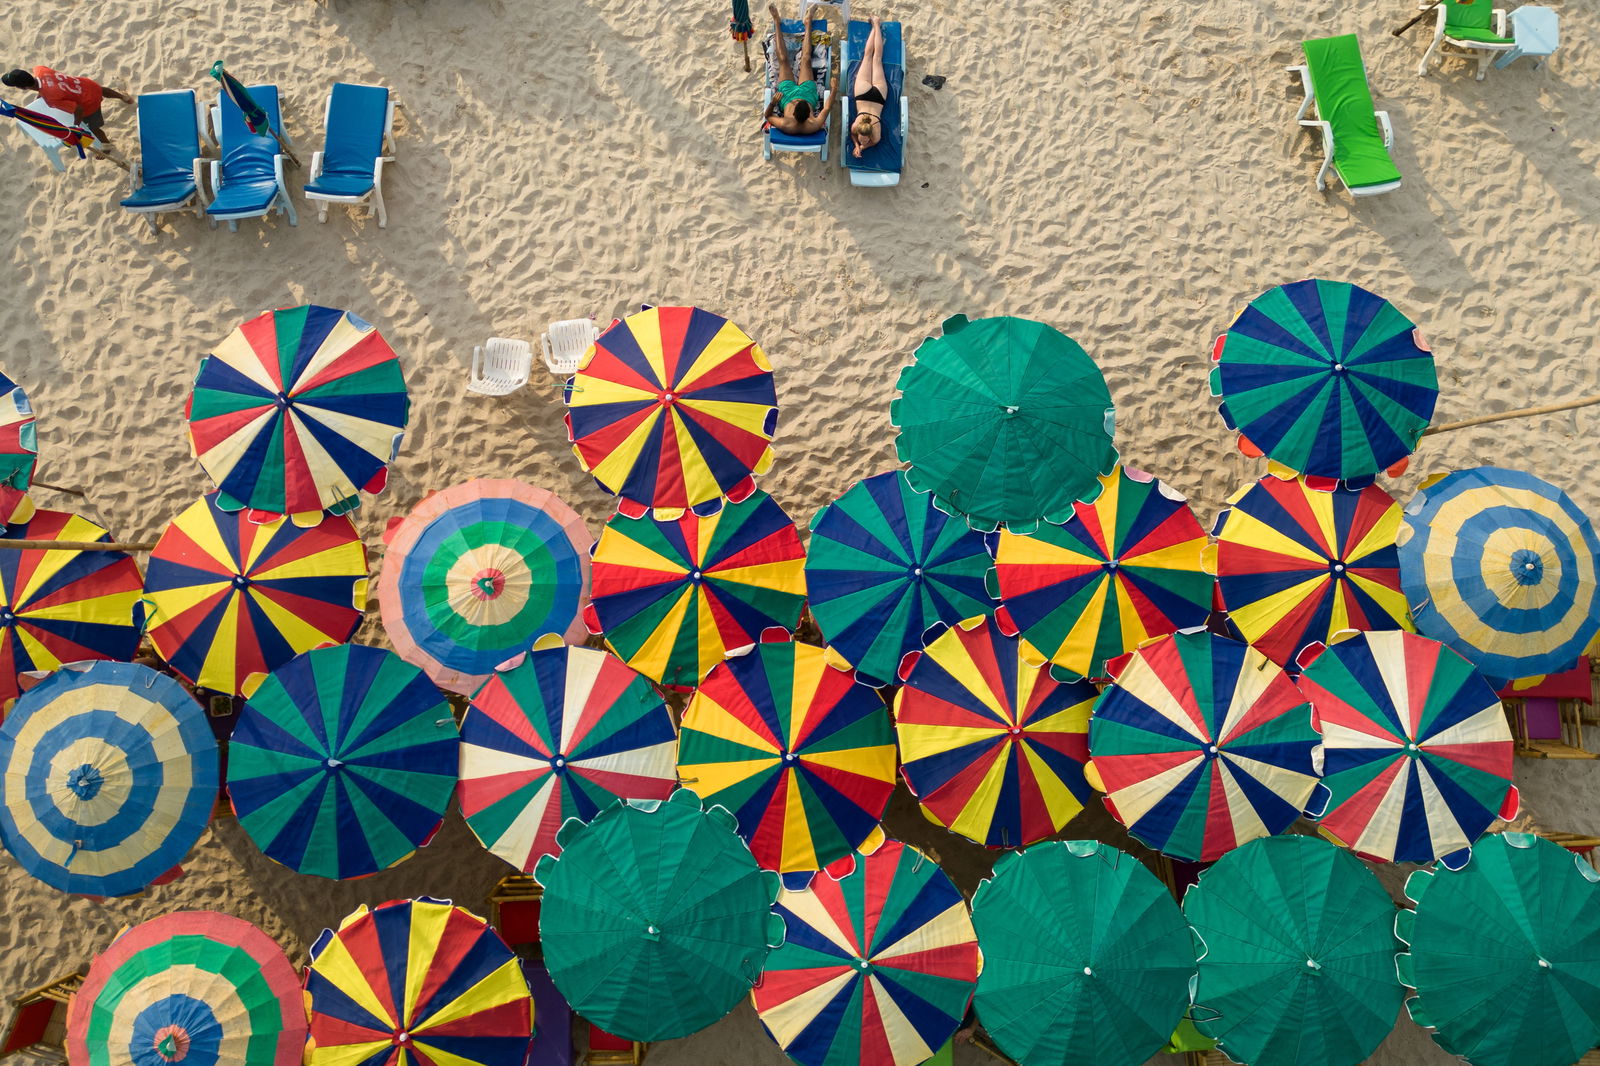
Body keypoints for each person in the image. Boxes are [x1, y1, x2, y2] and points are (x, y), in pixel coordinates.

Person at [2, 66, 131, 144]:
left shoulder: (52, 98)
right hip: (86, 85)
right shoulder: (40, 70)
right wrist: (42, 92)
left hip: (89, 103)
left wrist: (76, 126)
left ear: (23, 88)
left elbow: (78, 109)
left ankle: (106, 144)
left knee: (93, 128)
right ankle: (123, 97)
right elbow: (50, 84)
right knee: (101, 89)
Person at [764, 3, 836, 136]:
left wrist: (773, 103)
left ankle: (777, 22)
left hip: (786, 96)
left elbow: (767, 116)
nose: (797, 101)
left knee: (784, 62)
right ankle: (808, 23)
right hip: (808, 93)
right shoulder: (814, 124)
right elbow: (827, 107)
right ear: (810, 113)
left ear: (794, 113)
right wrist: (834, 89)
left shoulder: (786, 124)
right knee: (806, 60)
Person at [848, 15, 888, 157]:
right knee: (874, 58)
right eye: (865, 140)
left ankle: (876, 24)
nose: (865, 142)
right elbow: (872, 142)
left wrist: (858, 145)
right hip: (868, 96)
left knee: (871, 57)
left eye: (862, 140)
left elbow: (854, 136)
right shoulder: (875, 135)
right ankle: (876, 24)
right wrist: (860, 147)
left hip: (874, 96)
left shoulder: (863, 130)